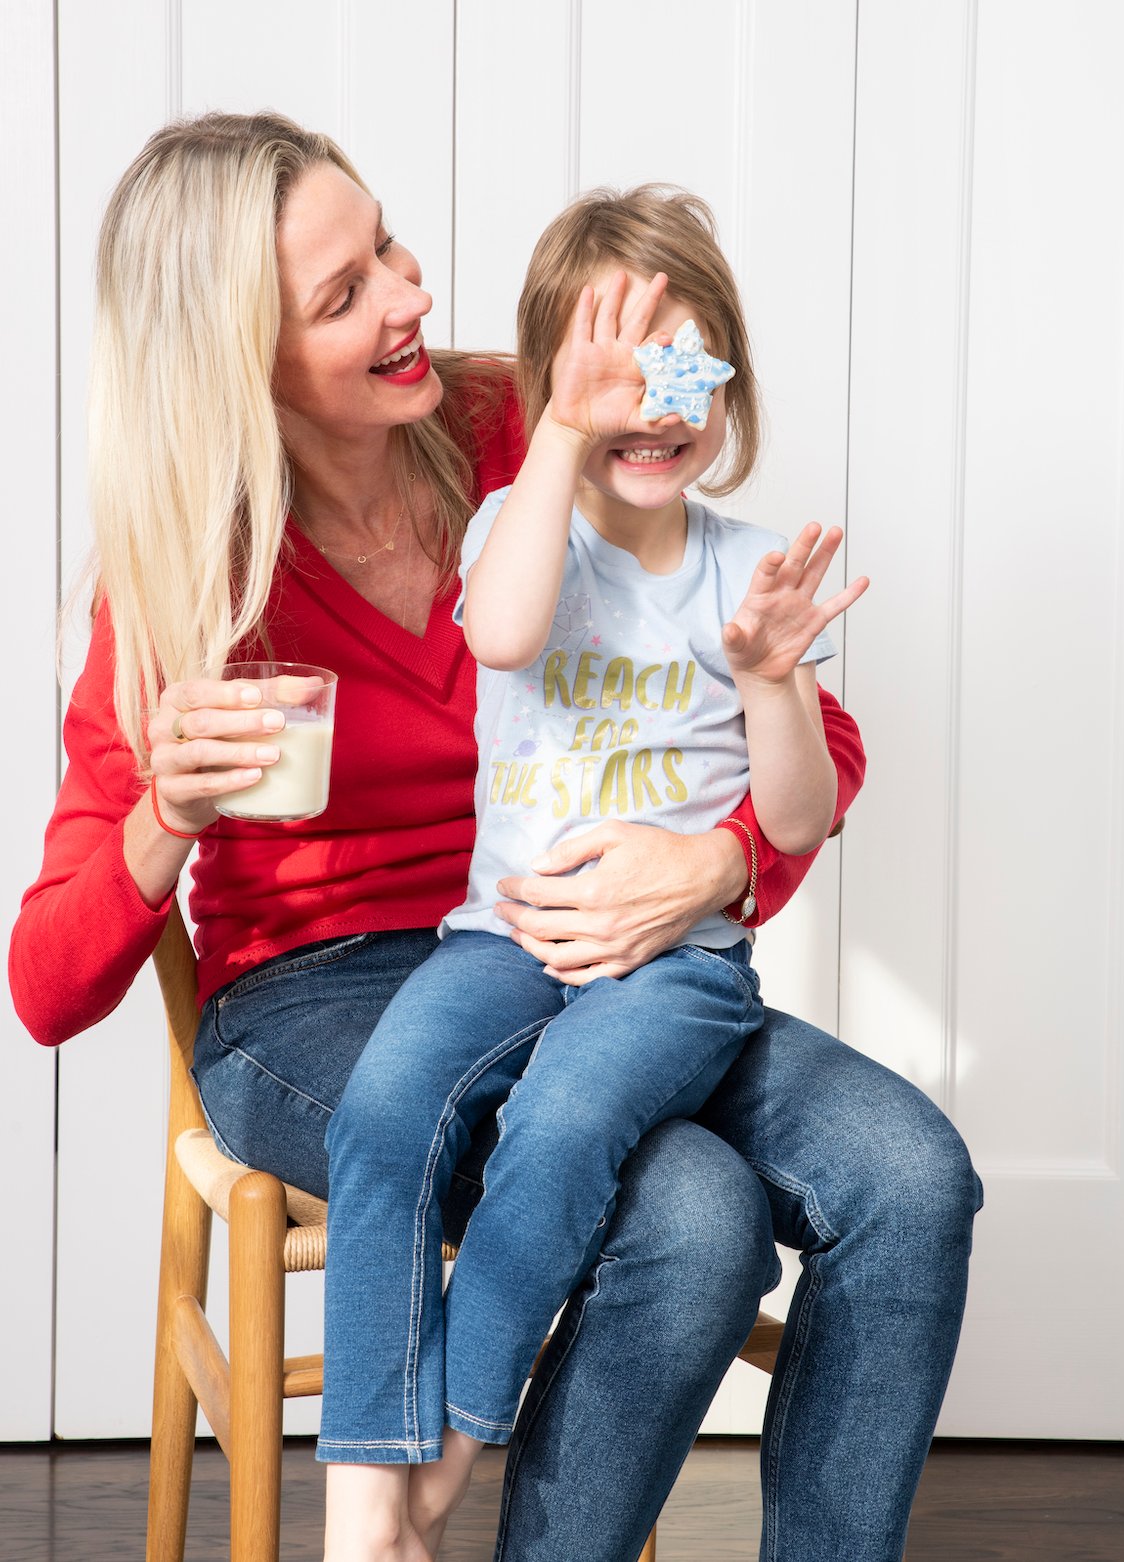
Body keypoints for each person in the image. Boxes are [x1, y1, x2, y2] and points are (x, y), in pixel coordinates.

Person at [7, 111, 981, 1562]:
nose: (410, 293)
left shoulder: (530, 425)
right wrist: (168, 813)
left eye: (387, 244)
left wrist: (713, 866)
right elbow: (46, 979)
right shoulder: (183, 570)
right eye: (344, 296)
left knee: (910, 1174)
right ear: (239, 362)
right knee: (693, 1215)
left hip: (600, 944)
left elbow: (804, 731)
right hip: (316, 994)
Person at [323, 185, 871, 1552]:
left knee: (564, 1119)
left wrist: (771, 679)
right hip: (502, 940)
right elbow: (504, 636)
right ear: (560, 382)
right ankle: (372, 1468)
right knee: (386, 1103)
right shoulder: (519, 520)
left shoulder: (749, 577)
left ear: (727, 387)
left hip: (672, 971)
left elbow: (795, 823)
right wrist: (561, 425)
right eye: (612, 370)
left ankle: (453, 1443)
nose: (651, 402)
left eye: (685, 368)